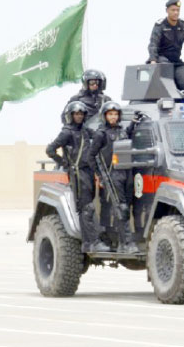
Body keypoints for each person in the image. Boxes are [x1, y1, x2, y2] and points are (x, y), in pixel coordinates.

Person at [47, 101, 110, 253]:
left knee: (89, 207)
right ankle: (92, 242)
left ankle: (90, 242)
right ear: (71, 115)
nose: (79, 116)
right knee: (86, 208)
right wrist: (66, 164)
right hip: (78, 173)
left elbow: (100, 136)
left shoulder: (85, 131)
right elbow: (50, 149)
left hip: (88, 172)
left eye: (81, 114)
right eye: (76, 114)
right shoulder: (67, 132)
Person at [88, 102, 140, 254]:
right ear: (104, 116)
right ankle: (126, 244)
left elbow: (126, 137)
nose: (113, 117)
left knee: (127, 206)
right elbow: (91, 156)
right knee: (121, 208)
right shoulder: (100, 134)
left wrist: (133, 123)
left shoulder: (121, 130)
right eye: (110, 114)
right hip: (112, 174)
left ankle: (118, 241)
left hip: (126, 172)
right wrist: (100, 175)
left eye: (115, 114)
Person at [147, 0, 184, 91]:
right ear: (167, 11)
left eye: (178, 10)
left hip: (176, 61)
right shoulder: (160, 25)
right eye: (173, 10)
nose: (176, 13)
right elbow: (153, 44)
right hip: (161, 59)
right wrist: (153, 60)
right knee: (166, 77)